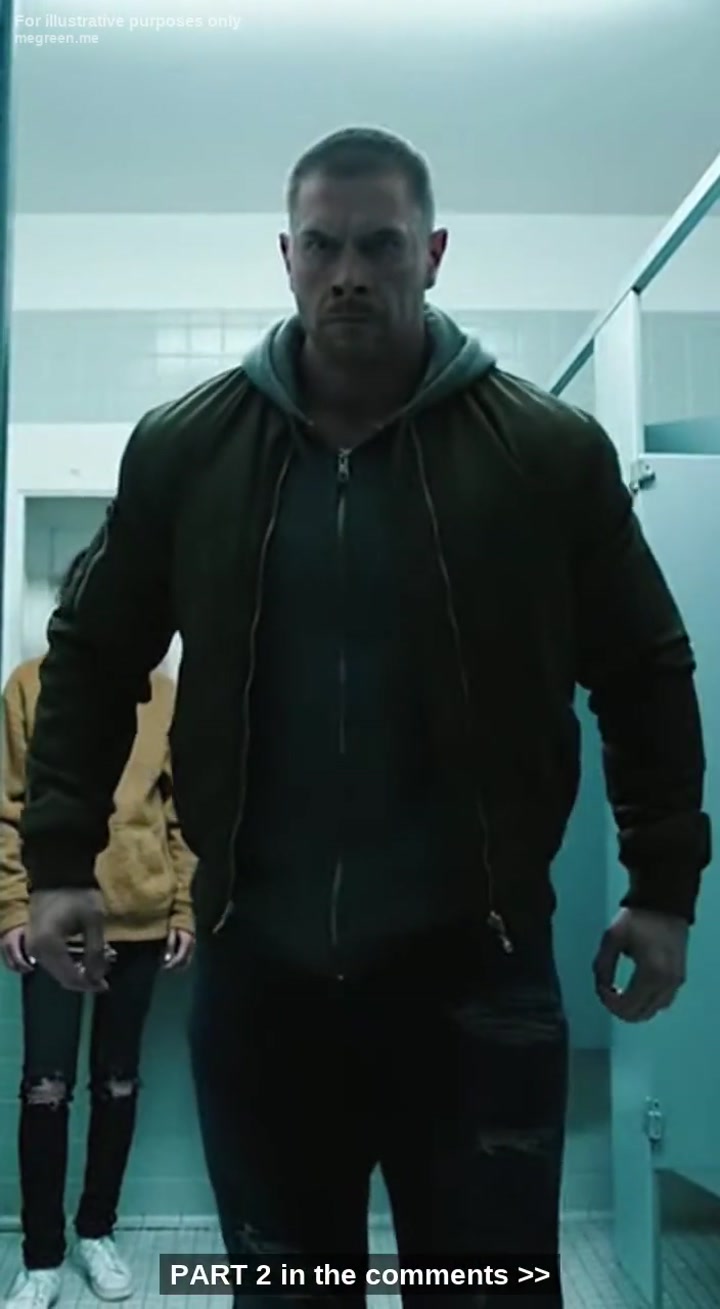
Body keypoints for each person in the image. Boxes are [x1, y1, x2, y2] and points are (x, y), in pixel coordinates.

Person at [16, 128, 711, 1308]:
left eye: (380, 246)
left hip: (478, 975)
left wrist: (662, 888)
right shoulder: (189, 450)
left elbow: (646, 670)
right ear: (286, 256)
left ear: (432, 254)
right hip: (264, 977)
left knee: (487, 1289)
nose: (350, 273)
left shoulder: (543, 453)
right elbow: (89, 660)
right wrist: (59, 862)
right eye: (325, 245)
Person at [0, 606, 196, 1308]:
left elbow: (181, 814)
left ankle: (97, 1231)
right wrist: (13, 908)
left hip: (140, 919)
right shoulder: (29, 685)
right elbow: (8, 807)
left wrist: (184, 907)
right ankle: (41, 1259)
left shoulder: (164, 697)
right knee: (44, 1088)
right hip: (55, 920)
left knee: (117, 1083)